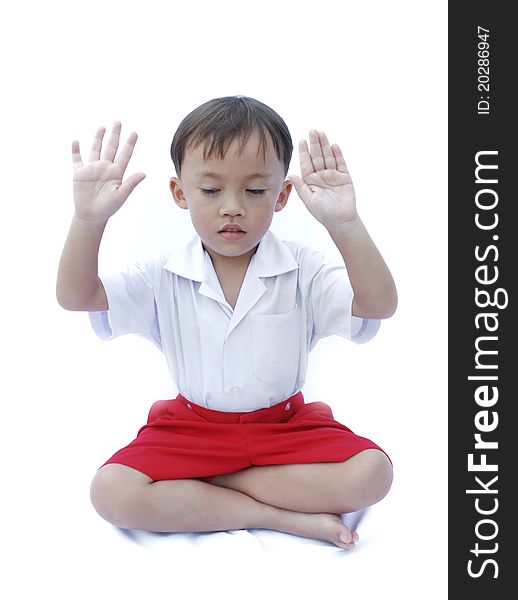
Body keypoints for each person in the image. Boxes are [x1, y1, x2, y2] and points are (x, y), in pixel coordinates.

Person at [56, 96, 397, 551]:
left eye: (255, 191)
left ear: (282, 196)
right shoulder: (162, 273)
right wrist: (88, 220)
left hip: (284, 427)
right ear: (180, 193)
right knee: (110, 492)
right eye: (211, 190)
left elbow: (378, 305)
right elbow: (76, 297)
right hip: (192, 429)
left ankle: (213, 486)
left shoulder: (304, 267)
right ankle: (274, 514)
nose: (232, 207)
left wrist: (346, 224)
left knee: (373, 473)